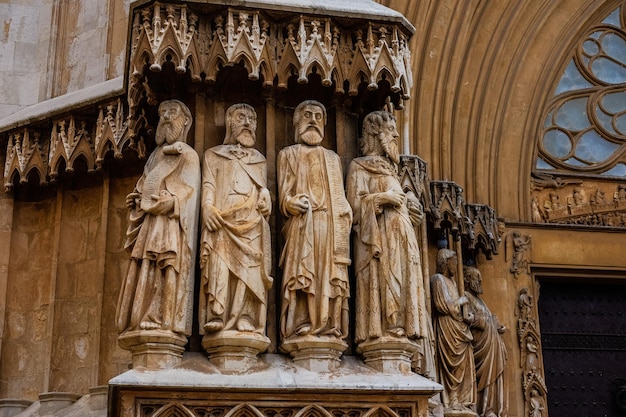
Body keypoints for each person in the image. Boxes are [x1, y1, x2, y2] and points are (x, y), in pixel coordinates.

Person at [346, 111, 434, 373]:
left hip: (401, 238)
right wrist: (382, 199)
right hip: (378, 242)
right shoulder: (359, 166)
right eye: (391, 130)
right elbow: (354, 207)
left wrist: (411, 206)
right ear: (375, 133)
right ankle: (384, 329)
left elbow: (400, 202)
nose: (396, 135)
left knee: (401, 283)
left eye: (396, 130)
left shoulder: (391, 169)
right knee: (385, 283)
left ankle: (398, 329)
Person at [116, 99, 200, 337]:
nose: (165, 117)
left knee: (167, 263)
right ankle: (145, 315)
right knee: (147, 266)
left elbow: (190, 190)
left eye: (172, 113)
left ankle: (164, 317)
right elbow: (145, 183)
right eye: (162, 113)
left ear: (185, 122)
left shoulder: (189, 155)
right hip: (151, 222)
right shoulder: (155, 156)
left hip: (171, 223)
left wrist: (173, 201)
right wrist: (136, 200)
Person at [277, 100, 352, 341]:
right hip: (302, 224)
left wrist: (345, 212)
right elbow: (283, 195)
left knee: (328, 275)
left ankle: (328, 323)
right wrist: (289, 203)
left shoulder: (332, 159)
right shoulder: (288, 154)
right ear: (297, 122)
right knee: (305, 274)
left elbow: (340, 197)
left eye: (318, 116)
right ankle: (304, 321)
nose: (313, 120)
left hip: (329, 226)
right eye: (307, 115)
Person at [199, 103, 273, 335]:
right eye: (241, 117)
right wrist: (207, 206)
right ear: (230, 122)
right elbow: (209, 184)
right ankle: (217, 312)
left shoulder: (259, 159)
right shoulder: (213, 155)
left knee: (249, 269)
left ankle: (245, 316)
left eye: (252, 119)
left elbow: (262, 187)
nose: (248, 123)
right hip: (223, 219)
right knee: (219, 260)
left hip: (251, 221)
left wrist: (266, 195)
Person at [431, 248, 477, 413]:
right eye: (453, 261)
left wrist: (468, 315)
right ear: (445, 262)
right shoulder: (438, 279)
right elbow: (441, 305)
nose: (456, 265)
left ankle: (461, 399)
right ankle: (451, 399)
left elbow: (460, 308)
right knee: (450, 364)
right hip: (447, 326)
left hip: (460, 327)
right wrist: (460, 301)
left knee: (462, 364)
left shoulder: (454, 283)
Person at [464, 266, 508, 417]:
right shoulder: (466, 297)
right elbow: (467, 318)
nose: (481, 281)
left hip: (491, 342)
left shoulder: (480, 300)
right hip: (481, 345)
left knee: (494, 375)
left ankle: (492, 407)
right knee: (486, 376)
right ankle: (485, 408)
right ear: (468, 280)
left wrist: (497, 326)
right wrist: (487, 322)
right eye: (477, 278)